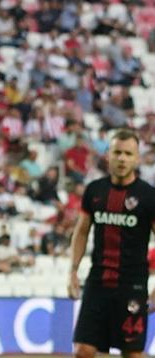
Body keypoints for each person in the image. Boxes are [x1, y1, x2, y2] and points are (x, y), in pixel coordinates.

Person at [68, 128, 155, 358]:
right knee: (82, 350)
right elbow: (82, 231)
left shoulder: (148, 196)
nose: (122, 159)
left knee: (132, 353)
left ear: (137, 158)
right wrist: (73, 271)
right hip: (97, 282)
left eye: (128, 154)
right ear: (108, 155)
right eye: (117, 152)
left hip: (132, 285)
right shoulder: (95, 190)